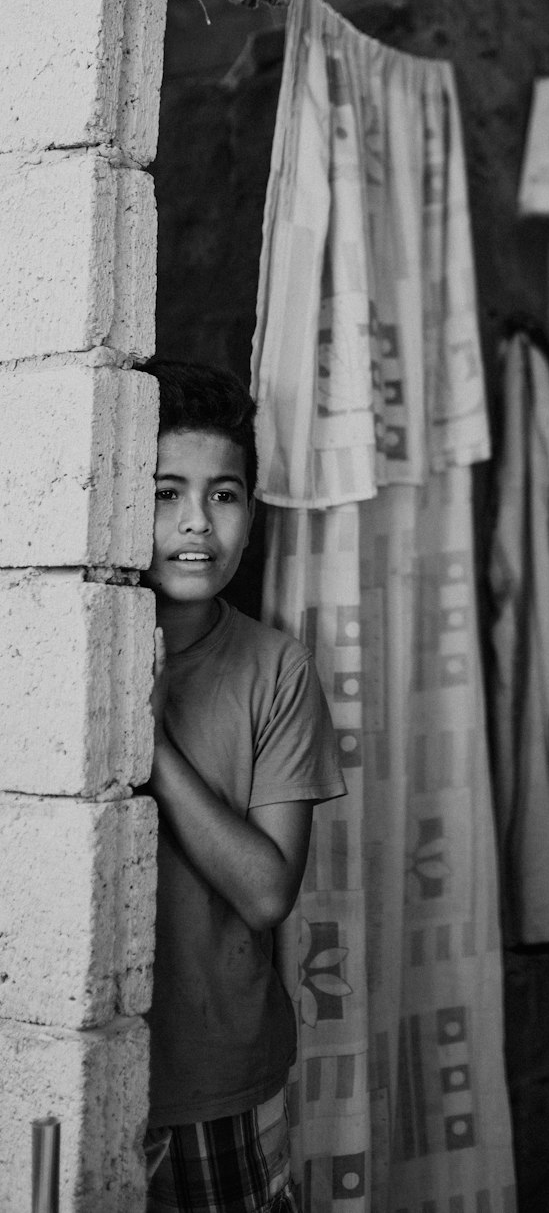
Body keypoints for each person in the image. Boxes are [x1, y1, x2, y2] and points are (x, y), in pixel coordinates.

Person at [138, 359, 345, 1213]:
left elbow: (267, 892)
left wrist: (145, 743)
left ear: (251, 516)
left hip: (218, 1075)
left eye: (223, 496)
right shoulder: (50, 642)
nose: (196, 523)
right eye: (164, 493)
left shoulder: (277, 669)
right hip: (59, 1063)